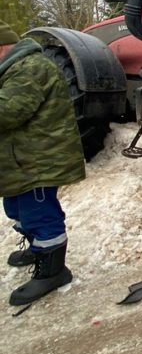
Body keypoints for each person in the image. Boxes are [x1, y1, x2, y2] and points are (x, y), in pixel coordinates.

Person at [0, 18, 85, 306]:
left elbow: (9, 111)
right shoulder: (13, 68)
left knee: (39, 213)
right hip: (20, 159)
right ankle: (38, 247)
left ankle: (53, 270)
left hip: (37, 160)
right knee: (15, 206)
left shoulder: (29, 68)